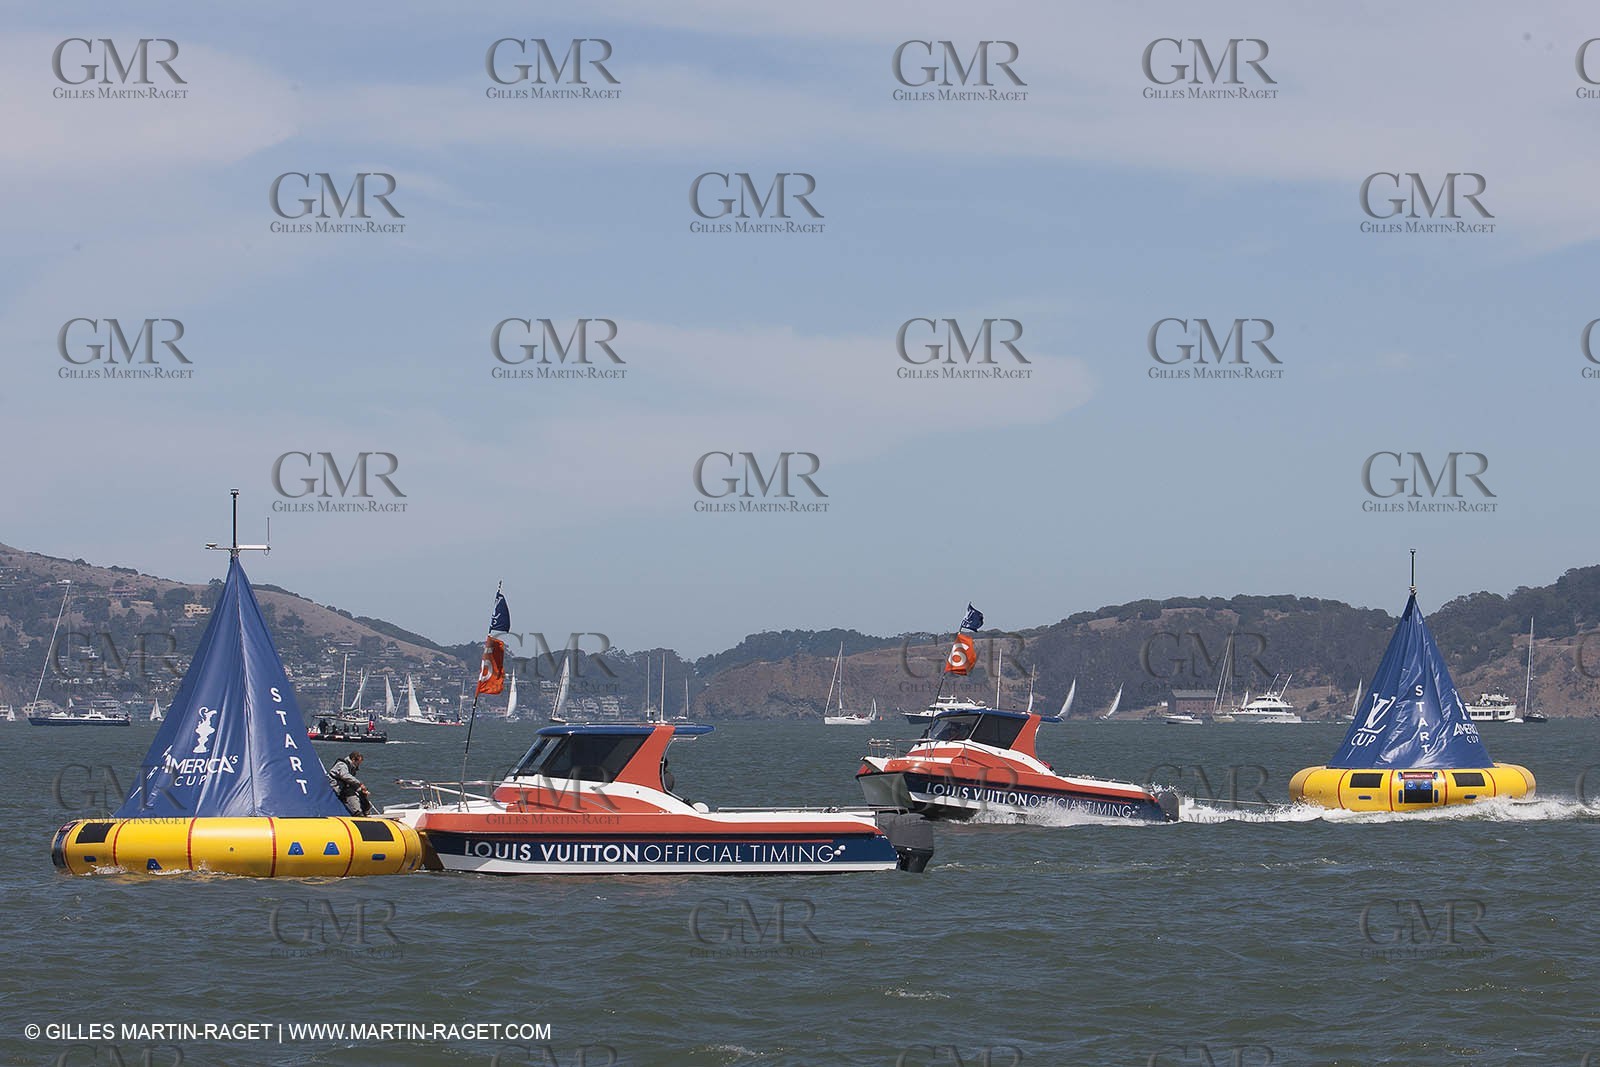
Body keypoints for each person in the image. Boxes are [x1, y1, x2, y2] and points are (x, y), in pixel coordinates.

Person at [328, 751, 373, 816]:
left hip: (344, 787)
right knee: (350, 792)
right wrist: (359, 783)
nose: (358, 765)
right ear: (353, 760)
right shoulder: (342, 765)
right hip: (335, 787)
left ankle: (365, 810)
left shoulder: (351, 768)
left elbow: (351, 782)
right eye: (358, 763)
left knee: (361, 792)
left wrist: (361, 789)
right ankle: (357, 812)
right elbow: (345, 776)